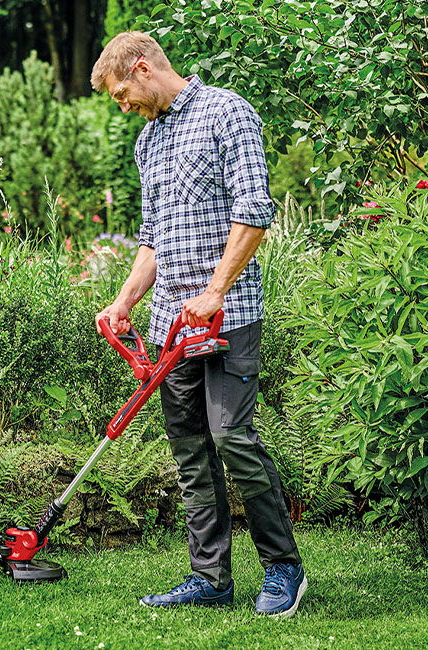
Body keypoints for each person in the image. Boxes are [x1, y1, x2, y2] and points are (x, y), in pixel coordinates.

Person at [90, 32, 306, 618]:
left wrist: (215, 292)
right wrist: (125, 300)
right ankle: (210, 577)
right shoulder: (148, 141)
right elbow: (154, 238)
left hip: (227, 314)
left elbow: (254, 212)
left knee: (231, 437)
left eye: (120, 92)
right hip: (171, 327)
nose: (122, 103)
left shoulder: (227, 112)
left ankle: (284, 568)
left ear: (141, 68)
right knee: (190, 450)